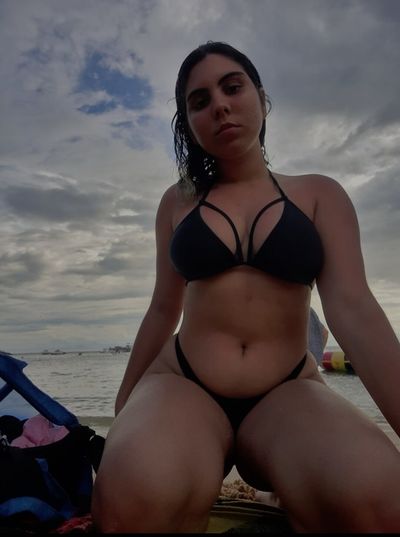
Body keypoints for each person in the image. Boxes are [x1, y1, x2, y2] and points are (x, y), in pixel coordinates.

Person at [91, 41, 400, 532]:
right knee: (133, 493)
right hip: (183, 383)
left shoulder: (319, 194)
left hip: (286, 390)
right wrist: (125, 407)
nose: (219, 105)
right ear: (189, 123)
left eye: (232, 87)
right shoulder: (178, 202)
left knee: (377, 499)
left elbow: (355, 309)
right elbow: (162, 309)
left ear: (261, 96)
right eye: (199, 101)